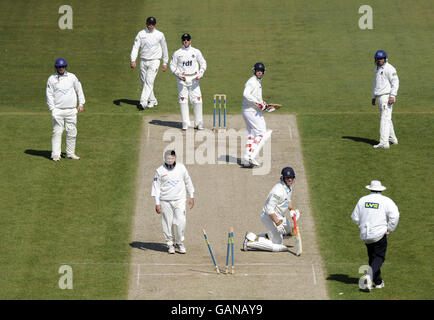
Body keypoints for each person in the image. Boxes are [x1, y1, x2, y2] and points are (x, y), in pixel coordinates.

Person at [351, 180, 400, 291]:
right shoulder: (386, 201)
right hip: (379, 234)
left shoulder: (362, 200)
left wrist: (362, 225)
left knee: (373, 258)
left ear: (370, 189)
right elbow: (395, 215)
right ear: (381, 190)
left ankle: (378, 282)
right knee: (379, 257)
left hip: (365, 235)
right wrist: (390, 228)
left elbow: (355, 217)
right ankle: (369, 276)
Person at [242, 167, 300, 252]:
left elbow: (288, 200)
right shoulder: (278, 191)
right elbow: (269, 210)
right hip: (269, 217)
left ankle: (268, 236)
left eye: (291, 177)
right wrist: (278, 224)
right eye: (287, 178)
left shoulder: (289, 187)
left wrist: (292, 209)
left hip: (279, 216)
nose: (290, 179)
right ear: (283, 178)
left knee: (289, 232)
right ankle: (249, 242)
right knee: (278, 244)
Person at [151, 150, 195, 254]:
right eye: (168, 158)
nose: (170, 160)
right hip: (165, 201)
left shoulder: (181, 168)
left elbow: (188, 181)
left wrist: (191, 196)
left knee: (181, 222)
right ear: (164, 159)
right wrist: (157, 203)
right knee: (167, 223)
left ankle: (179, 243)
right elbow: (156, 188)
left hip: (179, 199)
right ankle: (170, 244)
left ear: (175, 158)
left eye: (172, 158)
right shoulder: (159, 171)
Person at [46, 58, 85, 162]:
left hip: (71, 110)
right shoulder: (52, 79)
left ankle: (70, 153)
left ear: (65, 67)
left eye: (63, 66)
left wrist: (81, 103)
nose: (61, 68)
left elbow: (79, 89)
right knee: (57, 132)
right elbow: (49, 95)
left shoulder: (72, 77)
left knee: (72, 131)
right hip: (58, 110)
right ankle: (55, 155)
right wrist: (53, 109)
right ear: (56, 67)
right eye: (59, 67)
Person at [169, 33, 207, 130]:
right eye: (184, 40)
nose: (186, 41)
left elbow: (203, 63)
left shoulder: (196, 51)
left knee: (197, 100)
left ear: (190, 41)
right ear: (182, 41)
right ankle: (185, 123)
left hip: (194, 78)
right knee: (183, 100)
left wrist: (201, 73)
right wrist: (179, 74)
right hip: (182, 80)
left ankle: (199, 123)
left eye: (187, 39)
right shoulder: (177, 53)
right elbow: (172, 66)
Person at [130, 16, 169, 110]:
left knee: (148, 81)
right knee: (144, 82)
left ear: (155, 25)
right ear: (146, 24)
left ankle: (143, 103)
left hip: (155, 61)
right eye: (149, 24)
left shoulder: (160, 34)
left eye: (152, 24)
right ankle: (152, 100)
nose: (151, 26)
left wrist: (165, 62)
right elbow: (135, 47)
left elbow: (164, 48)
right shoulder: (141, 34)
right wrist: (133, 60)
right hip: (143, 61)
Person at [242, 62, 275, 167]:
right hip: (251, 111)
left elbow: (257, 99)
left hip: (249, 111)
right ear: (254, 71)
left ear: (263, 72)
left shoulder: (257, 82)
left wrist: (265, 106)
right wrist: (258, 103)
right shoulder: (252, 82)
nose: (259, 73)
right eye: (257, 71)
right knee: (262, 133)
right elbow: (246, 94)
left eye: (261, 71)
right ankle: (252, 156)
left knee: (252, 134)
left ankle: (247, 157)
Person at [371, 50, 399, 149]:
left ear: (385, 58)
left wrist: (392, 96)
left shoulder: (389, 68)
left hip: (386, 97)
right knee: (386, 118)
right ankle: (392, 139)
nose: (379, 60)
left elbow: (395, 82)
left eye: (381, 59)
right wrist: (373, 96)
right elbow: (376, 84)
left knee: (384, 119)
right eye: (378, 59)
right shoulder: (377, 69)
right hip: (379, 97)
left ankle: (384, 143)